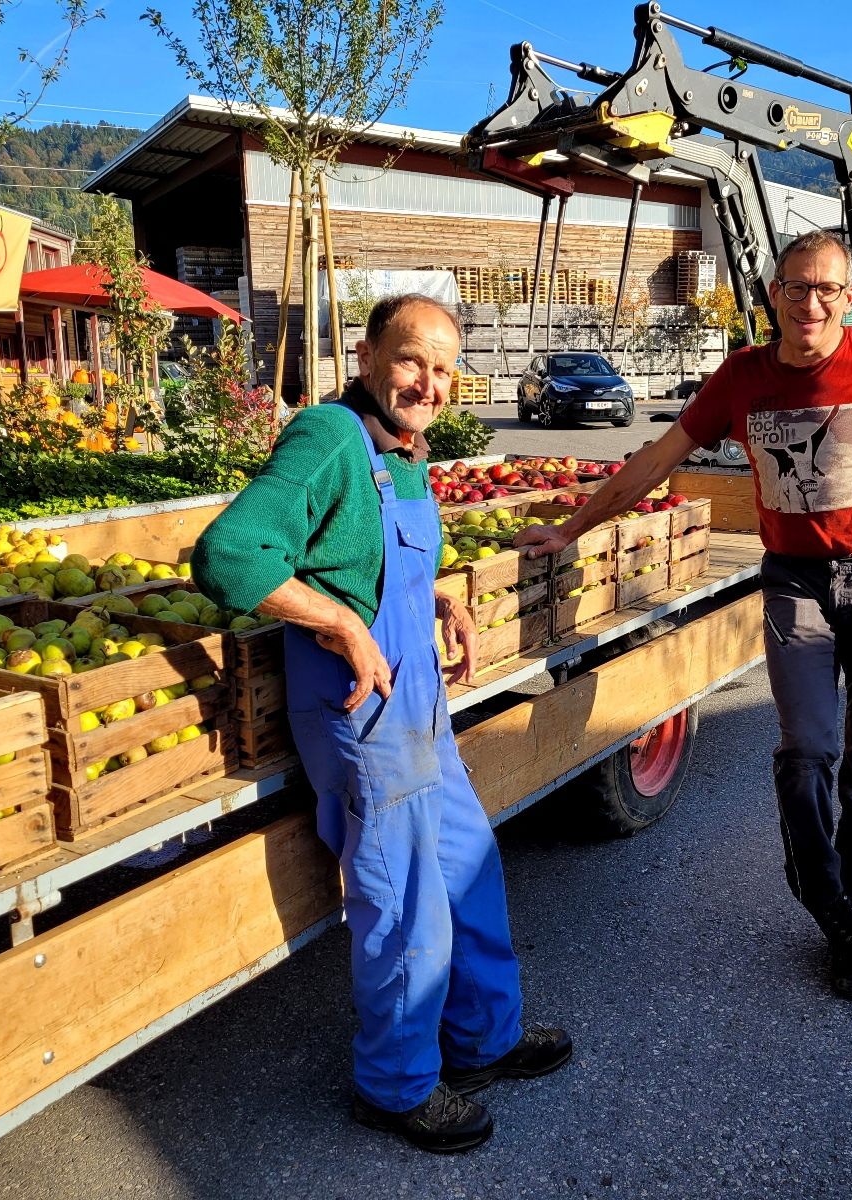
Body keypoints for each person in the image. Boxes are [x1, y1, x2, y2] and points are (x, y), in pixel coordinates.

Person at [516, 231, 852, 1000]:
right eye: (794, 287)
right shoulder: (742, 377)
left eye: (825, 289)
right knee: (808, 750)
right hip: (795, 583)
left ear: (850, 297)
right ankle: (821, 888)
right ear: (772, 294)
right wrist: (572, 529)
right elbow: (653, 462)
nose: (808, 303)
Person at [192, 294, 571, 1153]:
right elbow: (228, 555)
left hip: (421, 709)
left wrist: (439, 594)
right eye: (411, 360)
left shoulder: (405, 451)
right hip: (363, 718)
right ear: (366, 356)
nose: (428, 382)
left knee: (470, 871)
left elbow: (359, 553)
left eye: (443, 368)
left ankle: (483, 1041)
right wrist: (341, 625)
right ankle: (394, 1086)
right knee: (405, 909)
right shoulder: (329, 437)